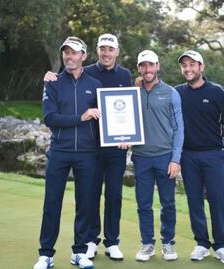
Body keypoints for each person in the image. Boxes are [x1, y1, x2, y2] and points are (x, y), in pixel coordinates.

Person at [43, 33, 132, 261]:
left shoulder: (119, 76)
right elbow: (52, 114)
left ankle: (102, 244)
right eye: (102, 48)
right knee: (80, 199)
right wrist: (50, 76)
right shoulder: (72, 77)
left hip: (107, 148)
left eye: (110, 49)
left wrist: (127, 134)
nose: (106, 52)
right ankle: (80, 244)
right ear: (95, 51)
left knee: (106, 197)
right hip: (78, 148)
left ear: (117, 51)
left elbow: (121, 109)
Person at [33, 36, 101, 269]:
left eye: (74, 53)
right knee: (52, 203)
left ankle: (80, 252)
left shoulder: (95, 84)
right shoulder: (52, 83)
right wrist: (80, 118)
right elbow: (50, 118)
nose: (69, 57)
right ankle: (46, 254)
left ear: (83, 56)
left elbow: (106, 120)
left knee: (85, 203)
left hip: (87, 152)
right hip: (59, 151)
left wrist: (123, 137)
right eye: (66, 52)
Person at [175, 50, 224, 264]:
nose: (188, 68)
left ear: (201, 67)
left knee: (217, 198)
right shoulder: (176, 93)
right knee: (194, 200)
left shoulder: (218, 91)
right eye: (184, 65)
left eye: (192, 64)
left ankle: (221, 246)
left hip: (214, 155)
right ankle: (202, 244)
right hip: (188, 156)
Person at [131, 50, 184, 262]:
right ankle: (147, 244)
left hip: (165, 156)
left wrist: (176, 159)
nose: (147, 69)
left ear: (158, 66)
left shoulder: (171, 93)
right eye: (143, 66)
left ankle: (168, 243)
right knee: (143, 204)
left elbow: (179, 129)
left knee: (168, 203)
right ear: (139, 68)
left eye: (150, 65)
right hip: (141, 156)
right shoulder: (132, 92)